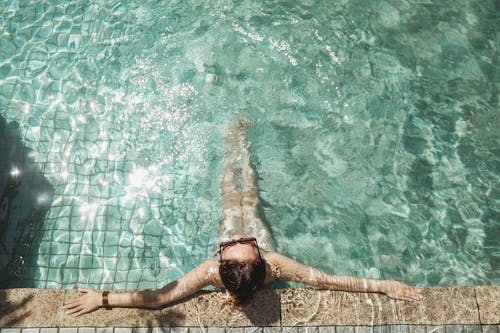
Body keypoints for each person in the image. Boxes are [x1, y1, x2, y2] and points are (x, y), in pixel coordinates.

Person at [65, 120, 422, 317]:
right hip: (255, 225)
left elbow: (160, 298)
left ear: (221, 262)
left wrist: (104, 298)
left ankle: (234, 149)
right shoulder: (273, 264)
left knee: (231, 196)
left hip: (237, 228)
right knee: (248, 200)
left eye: (235, 246)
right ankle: (242, 150)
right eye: (243, 245)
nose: (238, 238)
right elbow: (326, 280)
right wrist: (381, 285)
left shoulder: (212, 272)